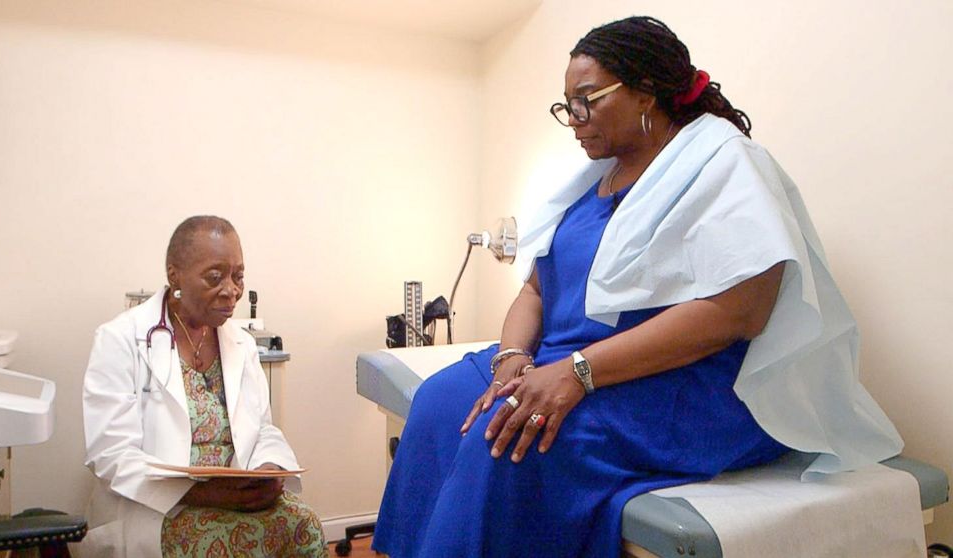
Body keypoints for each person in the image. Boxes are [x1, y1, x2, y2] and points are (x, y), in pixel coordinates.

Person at [372, 16, 903, 558]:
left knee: (508, 440)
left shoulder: (724, 164)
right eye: (566, 105)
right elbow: (535, 289)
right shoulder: (592, 181)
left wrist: (578, 372)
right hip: (565, 361)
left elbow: (738, 310)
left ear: (646, 93)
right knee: (438, 403)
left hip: (677, 384)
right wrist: (511, 358)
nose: (573, 120)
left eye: (587, 100)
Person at [81, 216, 326, 557]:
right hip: (161, 509)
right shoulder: (119, 340)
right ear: (174, 275)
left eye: (238, 276)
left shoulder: (240, 342)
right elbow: (110, 455)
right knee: (225, 542)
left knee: (304, 525)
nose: (231, 290)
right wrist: (204, 493)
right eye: (215, 277)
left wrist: (269, 469)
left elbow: (264, 429)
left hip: (236, 498)